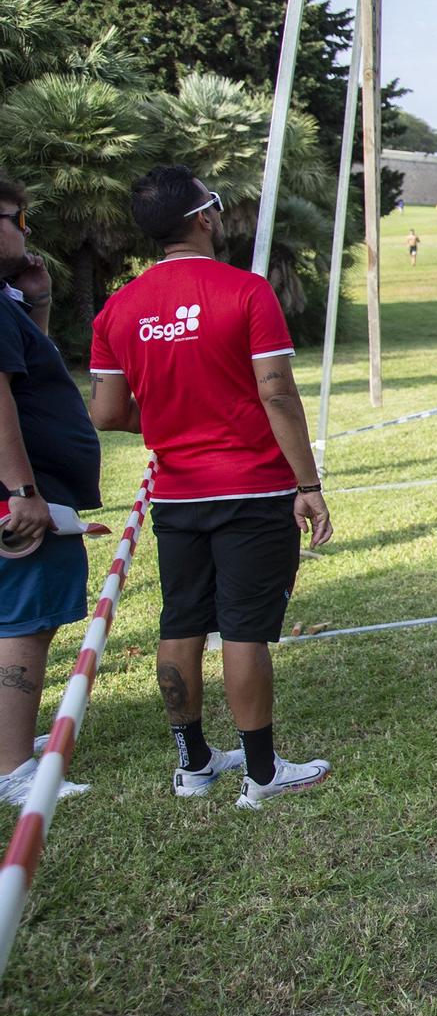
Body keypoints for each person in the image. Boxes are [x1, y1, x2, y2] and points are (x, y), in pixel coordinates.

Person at [88, 165, 333, 809]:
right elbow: (277, 392)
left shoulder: (118, 309)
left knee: (183, 621)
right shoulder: (246, 292)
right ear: (203, 217)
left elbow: (109, 412)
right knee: (246, 630)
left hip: (177, 496)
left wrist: (174, 418)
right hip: (251, 490)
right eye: (215, 206)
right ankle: (261, 774)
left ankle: (193, 764)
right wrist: (308, 483)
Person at [0, 175, 101, 808]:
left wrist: (37, 300)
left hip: (29, 488)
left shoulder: (5, 299)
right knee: (24, 622)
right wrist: (21, 490)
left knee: (22, 618)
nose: (26, 230)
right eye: (17, 217)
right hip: (20, 497)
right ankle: (12, 770)